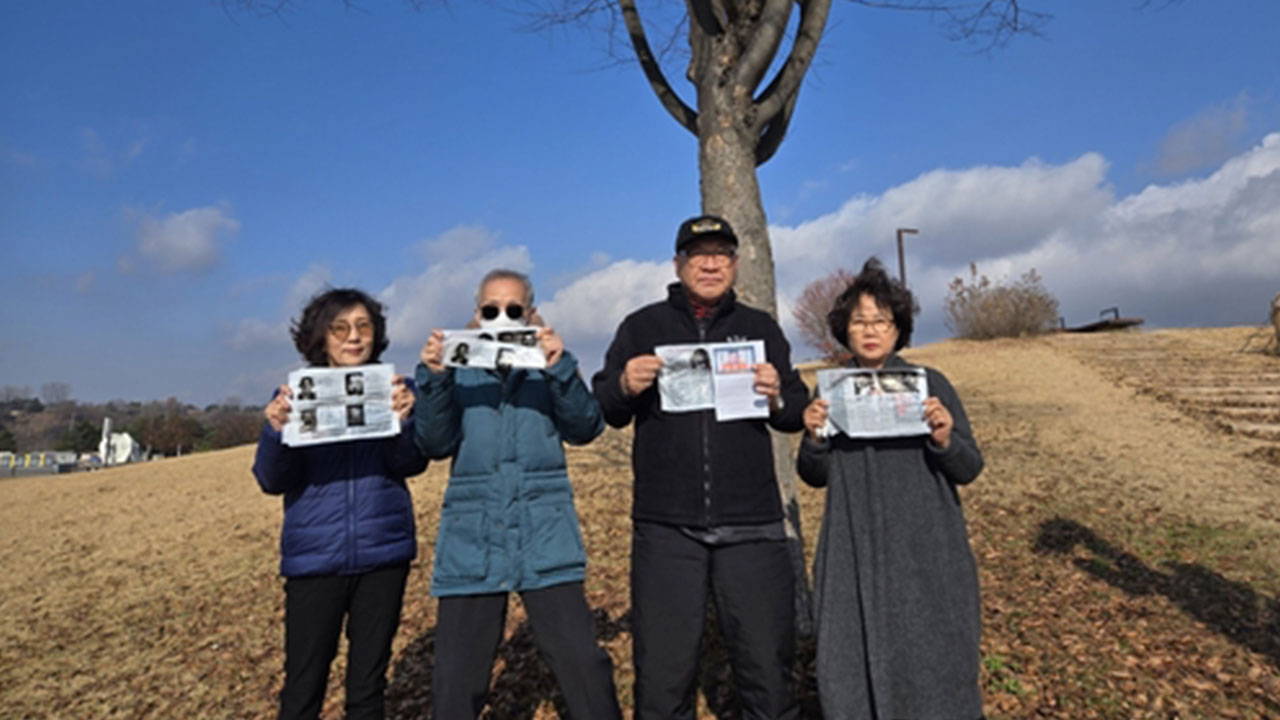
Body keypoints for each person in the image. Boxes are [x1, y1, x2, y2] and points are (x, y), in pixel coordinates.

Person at [591, 215, 808, 719]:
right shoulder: (642, 326)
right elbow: (604, 408)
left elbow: (797, 411)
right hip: (667, 529)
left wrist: (777, 396)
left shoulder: (760, 327)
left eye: (722, 254)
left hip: (753, 523)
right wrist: (624, 384)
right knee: (664, 678)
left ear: (734, 264)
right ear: (678, 264)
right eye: (699, 254)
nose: (711, 263)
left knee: (767, 672)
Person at [415, 269, 621, 720]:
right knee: (455, 680)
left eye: (513, 309)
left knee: (584, 666)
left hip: (545, 533)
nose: (502, 317)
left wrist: (560, 369)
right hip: (473, 537)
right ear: (476, 315)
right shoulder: (457, 370)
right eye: (491, 310)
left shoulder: (549, 366)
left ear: (531, 313)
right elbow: (433, 443)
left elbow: (586, 428)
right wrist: (433, 379)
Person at [797, 258, 985, 720]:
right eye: (860, 321)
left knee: (935, 658)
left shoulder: (930, 384)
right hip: (851, 546)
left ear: (900, 329)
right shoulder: (831, 390)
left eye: (882, 321)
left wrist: (944, 438)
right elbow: (812, 473)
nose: (871, 330)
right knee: (850, 660)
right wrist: (814, 435)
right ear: (845, 330)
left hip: (926, 546)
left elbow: (969, 466)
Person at [252, 287, 426, 720]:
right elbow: (272, 480)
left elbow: (411, 464)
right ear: (321, 337)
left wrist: (406, 422)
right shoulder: (296, 396)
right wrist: (275, 431)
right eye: (341, 328)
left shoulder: (397, 390)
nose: (354, 337)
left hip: (382, 553)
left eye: (363, 327)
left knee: (368, 686)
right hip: (314, 558)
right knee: (303, 685)